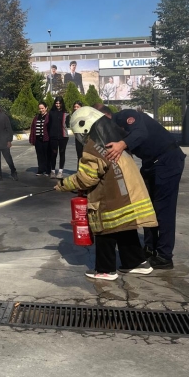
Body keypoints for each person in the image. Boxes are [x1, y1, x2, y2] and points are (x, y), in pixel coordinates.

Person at [55, 107, 158, 281]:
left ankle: (105, 270)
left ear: (84, 127)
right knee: (125, 228)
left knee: (104, 231)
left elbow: (87, 178)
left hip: (111, 196)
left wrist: (64, 184)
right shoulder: (115, 139)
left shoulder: (92, 147)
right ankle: (136, 263)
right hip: (128, 195)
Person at [104, 109, 186, 269]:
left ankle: (164, 256)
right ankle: (149, 247)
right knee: (147, 207)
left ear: (106, 115)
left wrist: (122, 144)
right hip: (150, 164)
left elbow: (140, 133)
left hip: (168, 160)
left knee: (164, 209)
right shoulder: (111, 130)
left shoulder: (126, 116)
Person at [47, 96, 70, 178]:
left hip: (63, 137)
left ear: (62, 103)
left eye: (59, 103)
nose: (58, 105)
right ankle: (53, 171)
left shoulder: (66, 113)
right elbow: (49, 125)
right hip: (53, 136)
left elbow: (67, 125)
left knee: (62, 153)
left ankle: (60, 172)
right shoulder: (51, 113)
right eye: (56, 103)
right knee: (53, 153)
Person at [29, 102, 50, 176]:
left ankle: (48, 170)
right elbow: (33, 129)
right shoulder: (36, 117)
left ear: (46, 108)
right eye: (40, 108)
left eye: (42, 108)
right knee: (39, 155)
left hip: (47, 139)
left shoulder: (49, 117)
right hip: (38, 140)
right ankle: (41, 170)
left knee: (47, 155)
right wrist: (32, 139)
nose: (41, 110)